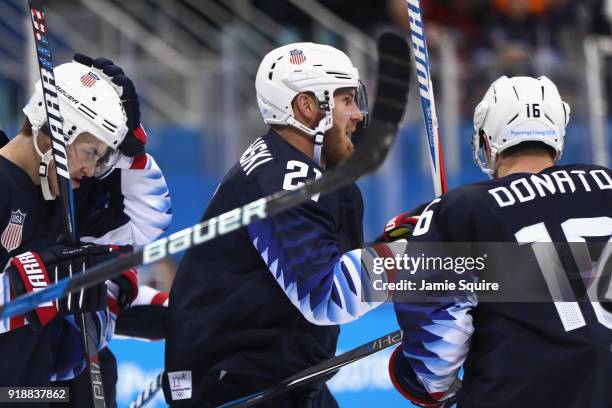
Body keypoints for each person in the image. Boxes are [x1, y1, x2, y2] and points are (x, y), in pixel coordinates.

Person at [163, 42, 399, 407]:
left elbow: (340, 272)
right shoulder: (283, 179)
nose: (357, 115)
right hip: (237, 387)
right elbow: (325, 295)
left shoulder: (311, 176)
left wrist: (403, 241)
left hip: (282, 377)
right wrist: (439, 263)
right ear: (307, 107)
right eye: (347, 100)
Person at [388, 75, 612, 407]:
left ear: (487, 140)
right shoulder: (605, 182)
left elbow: (433, 358)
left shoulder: (462, 210)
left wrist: (423, 379)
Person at [0, 55, 171, 407]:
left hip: (37, 393)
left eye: (103, 158)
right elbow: (37, 282)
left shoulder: (66, 195)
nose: (93, 170)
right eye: (89, 152)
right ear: (52, 134)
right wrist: (29, 283)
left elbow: (150, 217)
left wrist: (130, 145)